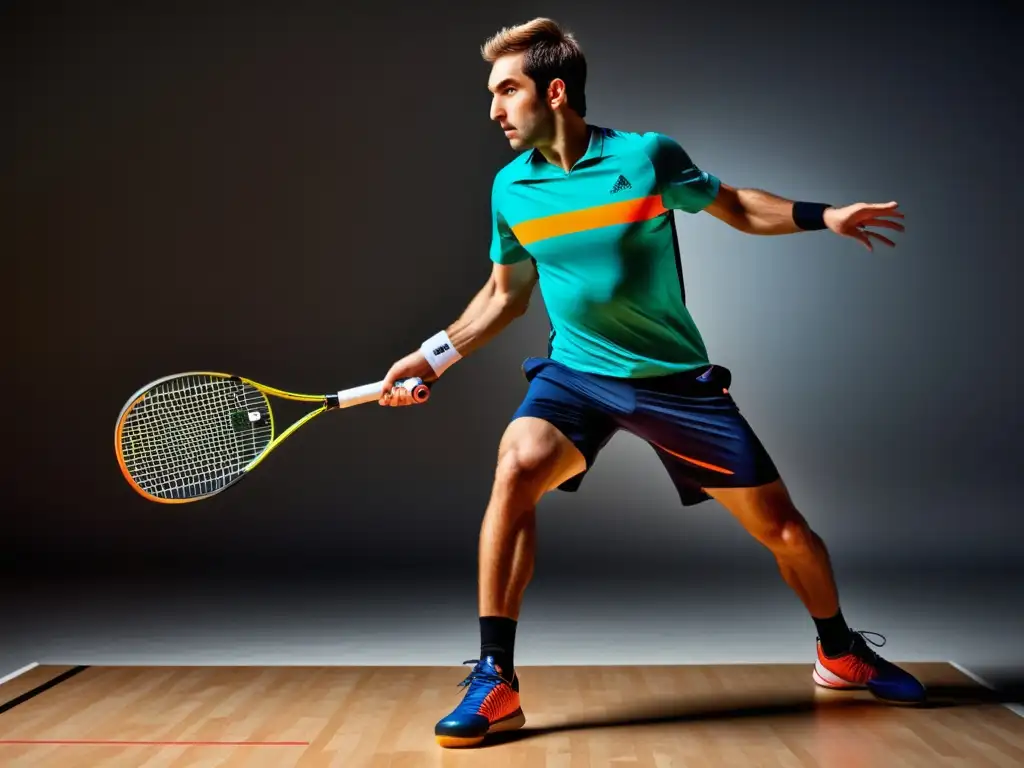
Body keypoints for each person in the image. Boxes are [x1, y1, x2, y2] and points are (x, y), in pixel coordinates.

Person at [377, 17, 926, 749]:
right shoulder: (511, 188)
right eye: (493, 93)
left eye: (506, 90)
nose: (493, 110)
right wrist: (433, 356)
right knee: (515, 466)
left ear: (556, 91)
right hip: (574, 376)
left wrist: (824, 215)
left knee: (787, 533)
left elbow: (733, 206)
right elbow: (503, 297)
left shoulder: (645, 159)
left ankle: (839, 651)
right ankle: (494, 678)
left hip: (675, 384)